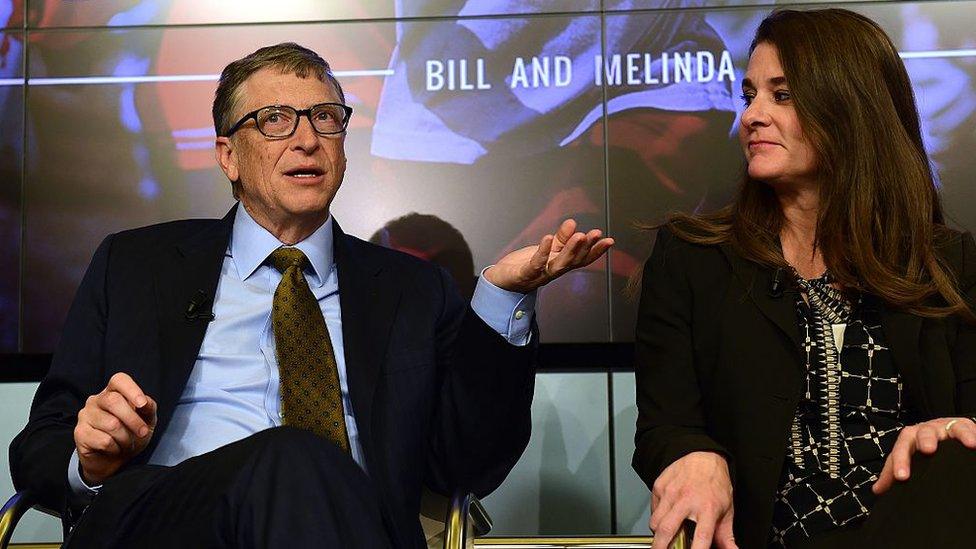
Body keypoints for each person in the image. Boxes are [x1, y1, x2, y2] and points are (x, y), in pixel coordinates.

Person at [9, 42, 613, 548]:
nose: (307, 140)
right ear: (228, 157)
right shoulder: (136, 265)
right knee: (290, 459)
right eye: (276, 119)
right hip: (162, 523)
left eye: (326, 117)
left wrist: (501, 299)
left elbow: (467, 465)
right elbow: (38, 447)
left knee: (305, 473)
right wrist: (89, 459)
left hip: (342, 527)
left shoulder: (411, 290)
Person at [631, 9, 976, 549]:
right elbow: (664, 424)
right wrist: (691, 454)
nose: (751, 116)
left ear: (851, 107)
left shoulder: (949, 264)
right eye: (749, 96)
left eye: (782, 95)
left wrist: (952, 433)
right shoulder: (693, 258)